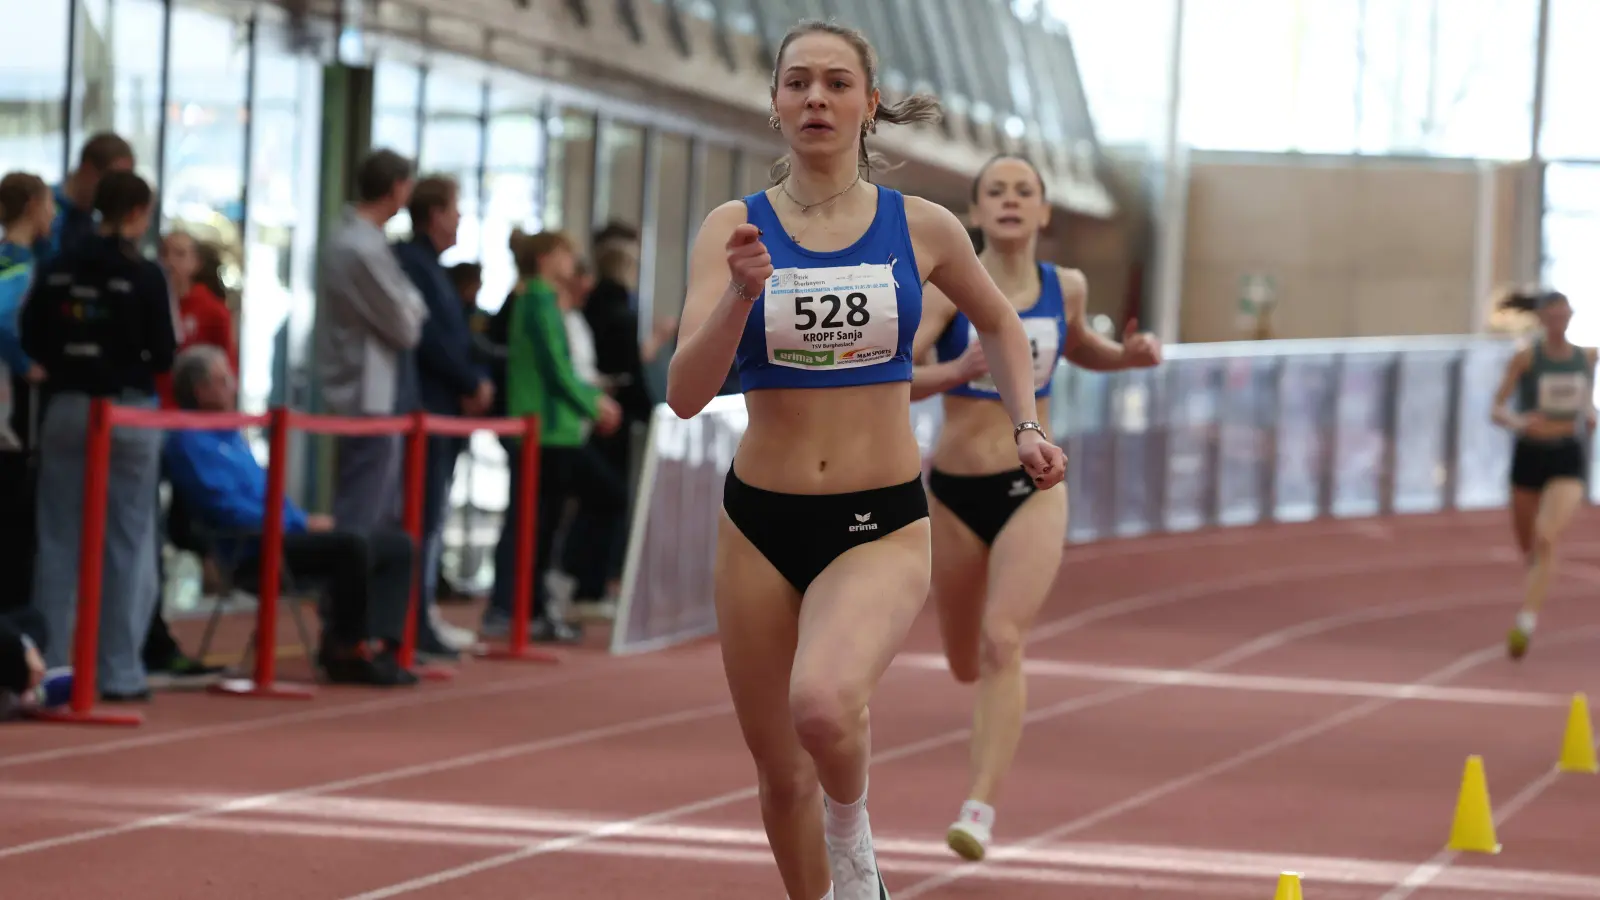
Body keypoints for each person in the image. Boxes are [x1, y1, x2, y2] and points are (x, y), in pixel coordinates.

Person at [665, 21, 1066, 900]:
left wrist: (1026, 426)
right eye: (798, 83)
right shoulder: (733, 229)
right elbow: (686, 392)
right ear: (774, 105)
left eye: (837, 83)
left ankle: (855, 844)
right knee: (779, 774)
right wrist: (739, 294)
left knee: (822, 705)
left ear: (868, 104)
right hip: (759, 523)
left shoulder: (918, 227)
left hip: (877, 519)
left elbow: (1000, 321)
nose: (816, 98)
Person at [907, 154, 1163, 862]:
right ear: (977, 211)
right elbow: (893, 377)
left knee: (1002, 641)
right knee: (964, 658)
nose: (1012, 201)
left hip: (1034, 485)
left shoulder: (1065, 287)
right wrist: (954, 372)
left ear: (1046, 212)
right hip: (954, 492)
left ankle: (978, 808)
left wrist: (1131, 357)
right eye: (998, 191)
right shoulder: (948, 290)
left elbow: (1086, 349)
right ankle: (979, 734)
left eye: (1026, 192)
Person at [162, 345, 418, 686]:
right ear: (200, 390)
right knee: (351, 546)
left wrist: (302, 518)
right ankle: (345, 649)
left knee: (398, 545)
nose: (233, 386)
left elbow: (269, 495)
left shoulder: (233, 435)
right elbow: (227, 509)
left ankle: (383, 645)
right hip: (252, 547)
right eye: (223, 380)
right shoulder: (188, 442)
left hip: (283, 532)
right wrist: (299, 523)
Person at [20, 169, 177, 703]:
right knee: (127, 544)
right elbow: (163, 354)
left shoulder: (59, 265)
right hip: (127, 413)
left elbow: (32, 334)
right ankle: (119, 671)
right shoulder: (145, 274)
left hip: (66, 407)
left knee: (59, 541)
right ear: (138, 213)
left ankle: (50, 671)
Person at [484, 230, 622, 644]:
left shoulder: (538, 299)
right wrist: (593, 403)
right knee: (532, 526)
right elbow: (555, 367)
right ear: (546, 258)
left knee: (541, 527)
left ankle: (528, 608)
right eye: (567, 253)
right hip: (542, 429)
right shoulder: (538, 299)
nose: (574, 261)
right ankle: (514, 609)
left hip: (554, 429)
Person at [394, 174, 489, 658]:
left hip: (442, 406)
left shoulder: (434, 268)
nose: (459, 219)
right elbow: (430, 339)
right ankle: (412, 619)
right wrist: (470, 382)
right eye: (454, 209)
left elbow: (453, 337)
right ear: (434, 215)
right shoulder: (414, 265)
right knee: (421, 514)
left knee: (431, 514)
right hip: (426, 408)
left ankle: (420, 613)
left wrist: (477, 377)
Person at [313, 148, 427, 538]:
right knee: (364, 509)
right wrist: (411, 309)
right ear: (397, 188)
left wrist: (411, 308)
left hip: (374, 390)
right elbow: (407, 324)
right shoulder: (357, 247)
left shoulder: (368, 243)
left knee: (377, 507)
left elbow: (411, 308)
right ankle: (349, 597)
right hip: (366, 394)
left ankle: (359, 595)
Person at [1490, 289, 1596, 660]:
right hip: (1530, 456)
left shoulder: (1587, 357)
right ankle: (1534, 589)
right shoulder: (1526, 359)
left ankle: (1526, 621)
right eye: (1552, 317)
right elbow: (1496, 408)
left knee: (1547, 536)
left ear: (1571, 317)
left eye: (1564, 316)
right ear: (1541, 320)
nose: (1559, 323)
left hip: (1568, 453)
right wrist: (1519, 421)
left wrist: (1590, 412)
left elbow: (1586, 398)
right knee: (1530, 548)